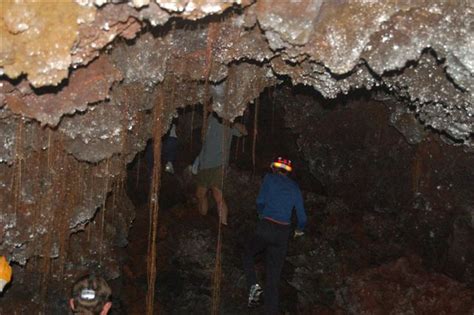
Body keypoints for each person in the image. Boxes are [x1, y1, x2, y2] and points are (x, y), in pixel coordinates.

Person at [243, 157, 307, 314]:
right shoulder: (294, 187)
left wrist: (261, 214)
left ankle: (253, 286)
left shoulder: (269, 179)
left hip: (267, 226)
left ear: (275, 168)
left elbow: (260, 201)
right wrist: (299, 229)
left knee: (247, 254)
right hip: (283, 233)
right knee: (273, 279)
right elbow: (302, 217)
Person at [195, 111, 247, 225]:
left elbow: (244, 131)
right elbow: (204, 140)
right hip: (204, 163)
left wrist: (232, 124)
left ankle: (223, 225)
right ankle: (202, 221)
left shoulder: (227, 119)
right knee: (200, 194)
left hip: (218, 162)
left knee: (217, 194)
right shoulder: (209, 118)